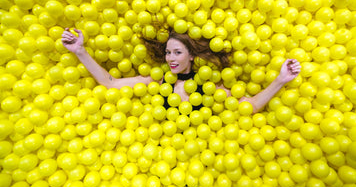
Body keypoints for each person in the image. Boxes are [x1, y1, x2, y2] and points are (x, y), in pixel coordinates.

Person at [61, 27, 301, 113]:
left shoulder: (208, 88)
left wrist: (280, 80)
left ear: (191, 56)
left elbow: (251, 106)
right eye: (168, 53)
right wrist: (80, 51)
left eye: (177, 53)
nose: (171, 58)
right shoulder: (157, 81)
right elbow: (111, 83)